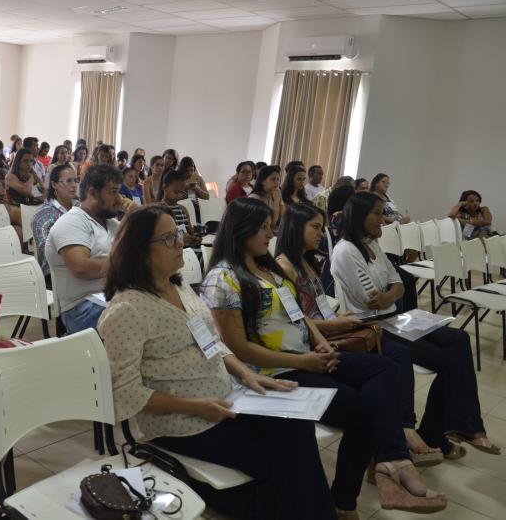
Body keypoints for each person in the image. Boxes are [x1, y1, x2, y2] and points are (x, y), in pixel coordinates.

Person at [201, 198, 447, 517]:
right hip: (274, 371)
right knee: (363, 412)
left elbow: (298, 315)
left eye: (270, 225)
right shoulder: (223, 278)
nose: (269, 232)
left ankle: (391, 459)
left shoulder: (267, 267)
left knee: (385, 367)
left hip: (307, 356)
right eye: (262, 227)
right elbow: (239, 348)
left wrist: (322, 344)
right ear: (240, 229)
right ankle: (347, 500)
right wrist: (305, 362)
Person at [98, 205, 337, 520]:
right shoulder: (127, 311)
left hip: (227, 401)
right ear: (141, 252)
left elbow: (212, 342)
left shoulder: (179, 287)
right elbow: (126, 394)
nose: (181, 242)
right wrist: (198, 406)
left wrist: (246, 375)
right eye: (168, 238)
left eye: (178, 235)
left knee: (296, 429)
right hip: (181, 423)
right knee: (281, 454)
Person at [332, 192, 500, 458]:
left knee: (458, 340)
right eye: (376, 213)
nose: (382, 219)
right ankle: (439, 434)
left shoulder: (371, 244)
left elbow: (398, 280)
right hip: (371, 326)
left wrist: (389, 293)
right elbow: (370, 298)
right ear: (359, 216)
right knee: (449, 361)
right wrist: (390, 293)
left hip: (391, 317)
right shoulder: (345, 251)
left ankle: (466, 425)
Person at [276, 203, 444, 466]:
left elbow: (320, 310)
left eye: (322, 227)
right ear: (296, 228)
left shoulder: (307, 263)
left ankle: (399, 434)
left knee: (397, 356)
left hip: (332, 329)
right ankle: (399, 437)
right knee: (390, 360)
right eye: (315, 227)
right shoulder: (285, 268)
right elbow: (297, 323)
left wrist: (337, 320)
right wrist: (333, 326)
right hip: (319, 341)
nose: (321, 233)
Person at [45, 164, 122, 333]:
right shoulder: (72, 222)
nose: (119, 199)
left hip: (113, 298)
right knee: (139, 315)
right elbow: (82, 268)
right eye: (113, 192)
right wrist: (124, 261)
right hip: (81, 308)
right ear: (93, 193)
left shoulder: (113, 225)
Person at [32, 164, 78, 280]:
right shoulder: (43, 216)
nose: (74, 185)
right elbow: (47, 254)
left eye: (75, 180)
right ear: (54, 184)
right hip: (55, 274)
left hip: (81, 267)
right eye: (68, 181)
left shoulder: (79, 208)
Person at [159, 170, 200, 248]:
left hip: (185, 250)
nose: (179, 195)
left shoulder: (183, 209)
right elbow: (160, 237)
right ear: (164, 188)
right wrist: (180, 238)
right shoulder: (159, 210)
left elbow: (190, 231)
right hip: (170, 251)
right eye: (176, 192)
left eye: (181, 192)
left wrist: (195, 238)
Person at [248, 165, 285, 230]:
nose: (277, 182)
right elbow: (271, 223)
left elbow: (283, 219)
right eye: (273, 179)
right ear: (262, 181)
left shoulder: (273, 195)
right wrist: (276, 201)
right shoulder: (255, 198)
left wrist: (279, 200)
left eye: (278, 179)